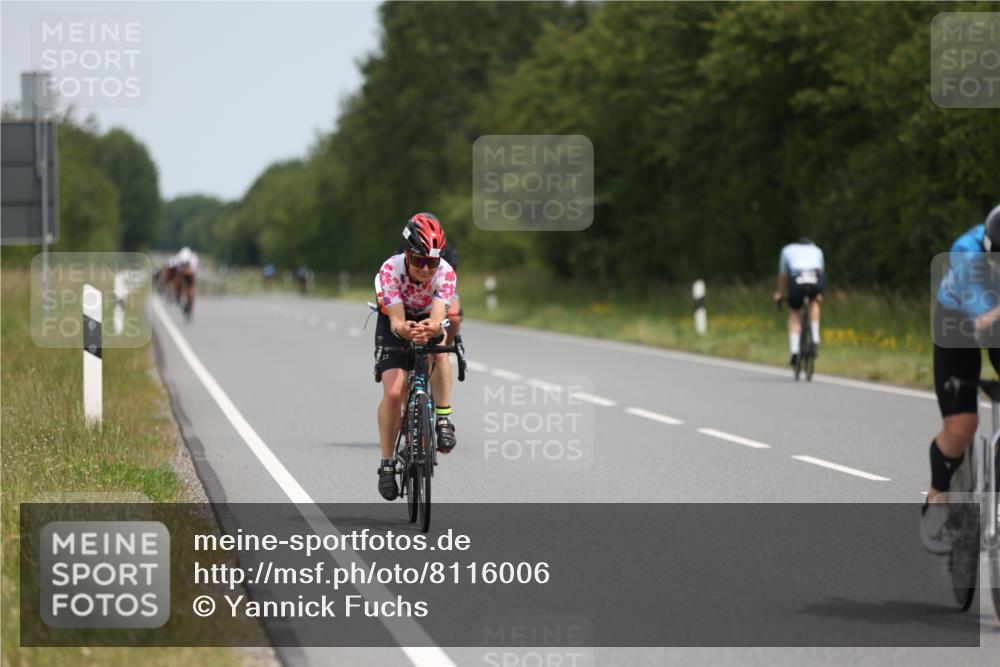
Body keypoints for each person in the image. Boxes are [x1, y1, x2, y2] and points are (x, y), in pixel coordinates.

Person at [921, 204, 1000, 553]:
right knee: (961, 426)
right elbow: (983, 321)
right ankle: (937, 501)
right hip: (960, 321)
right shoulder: (966, 252)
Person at [373, 213, 458, 501]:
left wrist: (433, 328)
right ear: (406, 254)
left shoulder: (445, 273)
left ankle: (444, 419)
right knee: (395, 394)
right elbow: (396, 322)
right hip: (395, 320)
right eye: (419, 261)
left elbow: (437, 317)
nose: (425, 268)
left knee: (441, 346)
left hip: (426, 317)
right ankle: (386, 465)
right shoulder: (390, 270)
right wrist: (404, 329)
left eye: (431, 263)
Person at [773, 237, 825, 367]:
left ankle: (795, 351)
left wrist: (780, 293)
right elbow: (821, 271)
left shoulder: (787, 250)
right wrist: (819, 294)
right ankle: (815, 336)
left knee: (795, 312)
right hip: (816, 276)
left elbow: (783, 275)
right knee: (814, 302)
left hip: (797, 277)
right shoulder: (817, 250)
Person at [174, 246, 199, 321]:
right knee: (177, 285)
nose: (185, 264)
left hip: (191, 274)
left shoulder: (194, 260)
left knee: (191, 290)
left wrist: (191, 287)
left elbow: (192, 274)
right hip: (181, 274)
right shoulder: (178, 260)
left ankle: (191, 308)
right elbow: (178, 274)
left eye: (186, 263)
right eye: (183, 263)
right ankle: (179, 298)